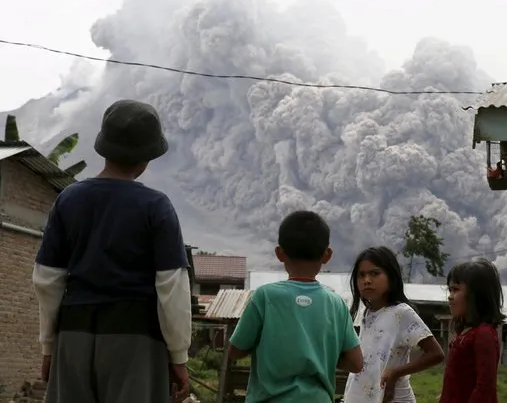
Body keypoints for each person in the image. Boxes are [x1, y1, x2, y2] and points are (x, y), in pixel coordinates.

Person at [32, 99, 192, 403]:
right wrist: (178, 357)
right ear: (148, 157)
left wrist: (50, 348)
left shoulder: (68, 200)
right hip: (136, 341)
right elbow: (172, 288)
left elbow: (46, 279)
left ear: (102, 147)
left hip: (73, 335)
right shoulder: (156, 207)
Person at [228, 210, 364, 402]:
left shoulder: (265, 297)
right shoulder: (337, 304)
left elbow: (235, 350)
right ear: (327, 255)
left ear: (280, 253)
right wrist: (321, 354)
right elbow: (356, 363)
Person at [343, 246, 445, 403]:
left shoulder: (401, 313)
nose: (367, 280)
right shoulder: (367, 314)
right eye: (361, 275)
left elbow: (436, 354)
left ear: (391, 277)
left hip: (393, 397)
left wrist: (396, 372)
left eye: (375, 273)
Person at [439, 258, 506, 403]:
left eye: (456, 289)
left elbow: (485, 388)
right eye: (449, 290)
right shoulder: (465, 332)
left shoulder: (483, 334)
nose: (450, 296)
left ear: (476, 295)